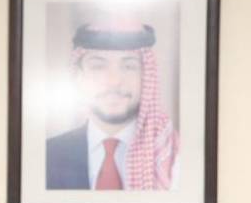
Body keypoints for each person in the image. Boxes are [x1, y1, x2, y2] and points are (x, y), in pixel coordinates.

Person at [46, 17, 177, 191]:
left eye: (129, 66)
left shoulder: (174, 156)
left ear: (146, 76)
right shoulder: (45, 156)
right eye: (98, 67)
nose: (114, 81)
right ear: (78, 78)